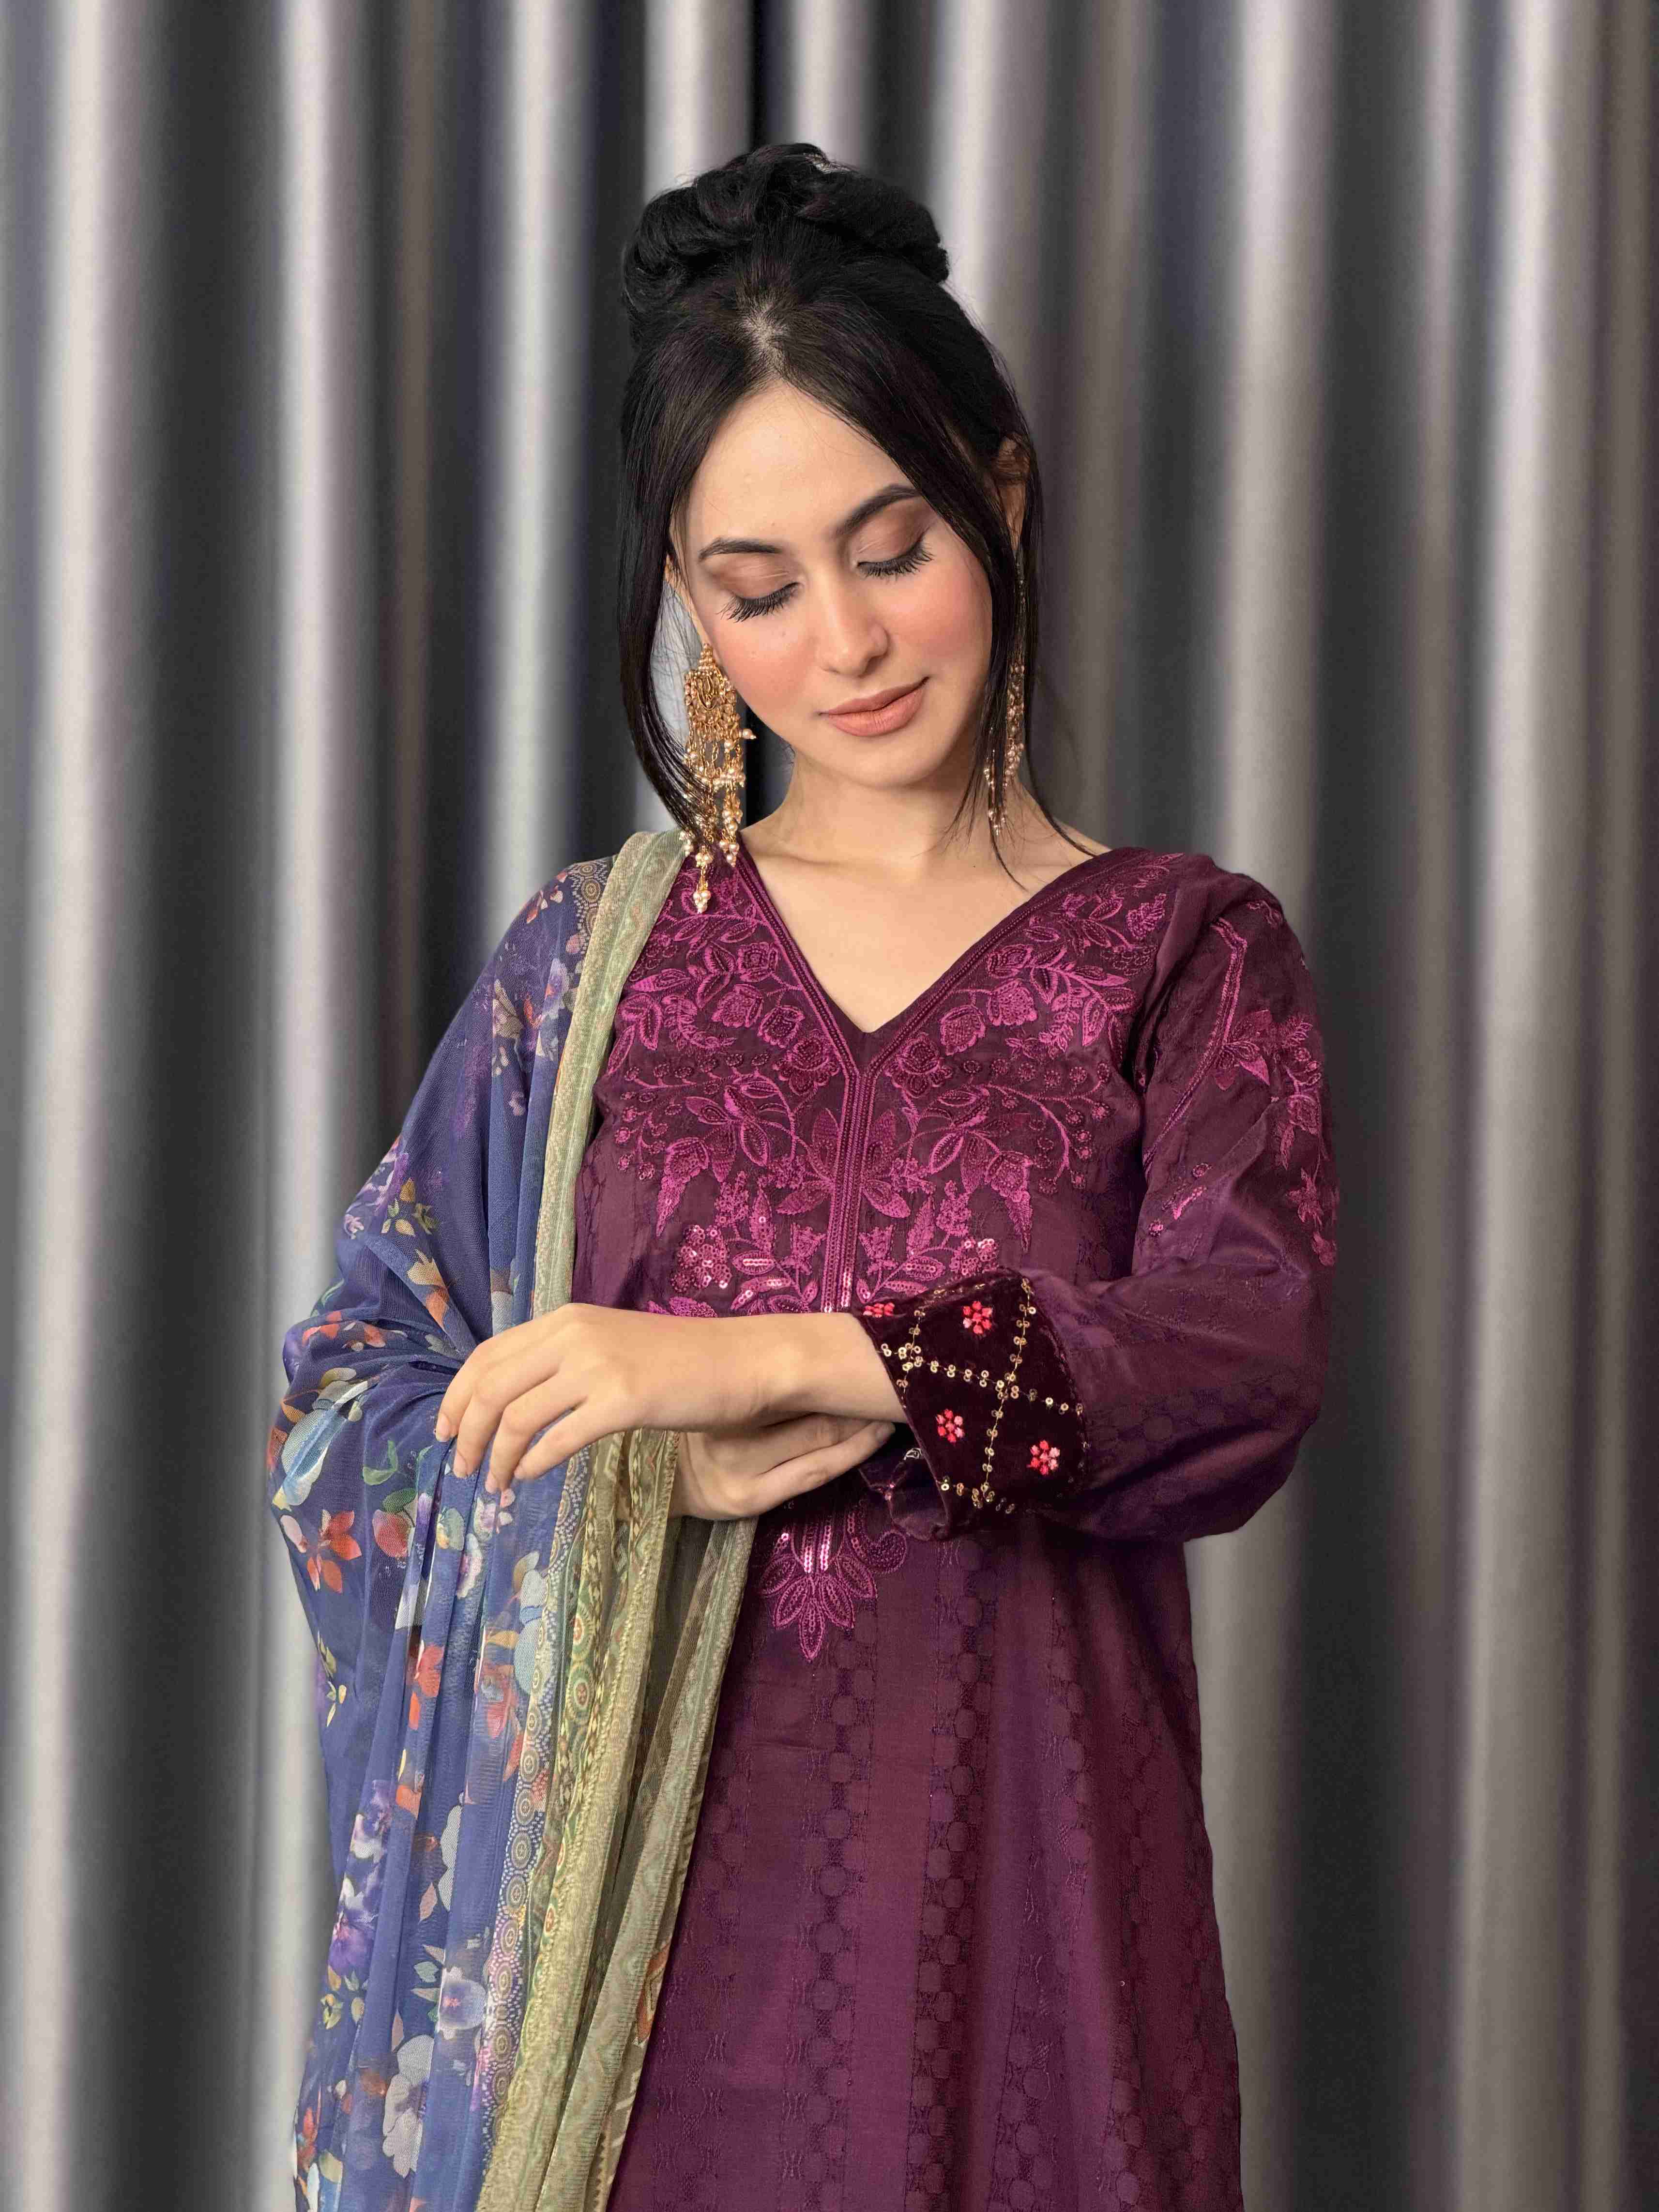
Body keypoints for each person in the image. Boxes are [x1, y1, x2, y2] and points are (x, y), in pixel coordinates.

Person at [268, 142, 1338, 2212]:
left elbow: (1235, 1363)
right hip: (630, 1986)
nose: (843, 641)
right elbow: (345, 1399)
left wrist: (791, 1357)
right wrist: (633, 1476)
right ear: (689, 602)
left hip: (1034, 1936)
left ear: (998, 495)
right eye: (758, 589)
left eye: (891, 546)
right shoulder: (589, 967)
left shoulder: (1181, 951)